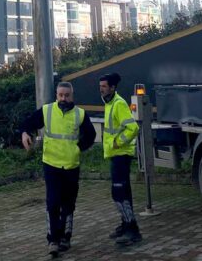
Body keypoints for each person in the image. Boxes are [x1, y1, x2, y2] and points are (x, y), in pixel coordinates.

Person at [20, 81, 96, 256]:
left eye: (67, 95)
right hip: (51, 165)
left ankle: (65, 237)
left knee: (68, 203)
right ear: (56, 95)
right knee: (53, 202)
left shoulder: (80, 114)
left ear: (72, 96)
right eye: (60, 95)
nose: (63, 98)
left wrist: (78, 148)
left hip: (71, 165)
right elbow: (28, 123)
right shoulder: (47, 111)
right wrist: (24, 133)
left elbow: (91, 135)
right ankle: (53, 240)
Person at [99, 72, 142, 246]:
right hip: (116, 155)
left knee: (119, 193)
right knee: (122, 192)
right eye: (100, 86)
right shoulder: (109, 103)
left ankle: (132, 230)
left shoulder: (118, 104)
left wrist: (118, 142)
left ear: (112, 87)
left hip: (121, 155)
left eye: (104, 86)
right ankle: (126, 224)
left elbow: (133, 128)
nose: (101, 89)